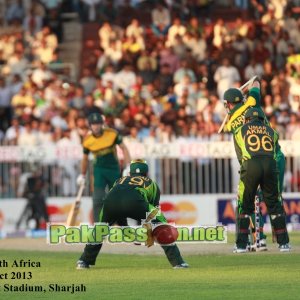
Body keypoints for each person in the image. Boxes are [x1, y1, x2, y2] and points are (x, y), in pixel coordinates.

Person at [76, 159, 189, 269]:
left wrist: (127, 232)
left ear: (130, 173)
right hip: (134, 202)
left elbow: (118, 200)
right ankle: (177, 262)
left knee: (100, 229)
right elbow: (152, 212)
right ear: (147, 173)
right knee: (161, 226)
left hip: (110, 203)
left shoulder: (119, 180)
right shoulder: (151, 184)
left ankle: (83, 261)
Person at [223, 77, 286, 249]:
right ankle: (281, 241)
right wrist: (253, 82)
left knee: (248, 199)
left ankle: (258, 237)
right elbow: (256, 83)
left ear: (227, 104)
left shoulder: (231, 123)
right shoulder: (252, 103)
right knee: (274, 199)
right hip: (274, 157)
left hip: (250, 160)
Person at [233, 107, 290, 252]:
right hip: (270, 165)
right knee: (275, 205)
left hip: (251, 165)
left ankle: (241, 246)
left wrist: (250, 177)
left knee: (244, 206)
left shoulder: (239, 131)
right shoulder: (272, 131)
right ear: (262, 119)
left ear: (247, 119)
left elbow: (241, 158)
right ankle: (283, 244)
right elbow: (275, 151)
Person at [76, 112, 131, 222]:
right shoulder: (87, 141)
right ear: (90, 125)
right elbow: (85, 158)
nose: (96, 126)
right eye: (93, 124)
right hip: (99, 170)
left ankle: (124, 227)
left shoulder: (112, 134)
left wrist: (128, 166)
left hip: (114, 169)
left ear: (102, 124)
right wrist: (82, 174)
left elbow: (124, 148)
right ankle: (98, 230)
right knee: (97, 200)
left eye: (98, 123)